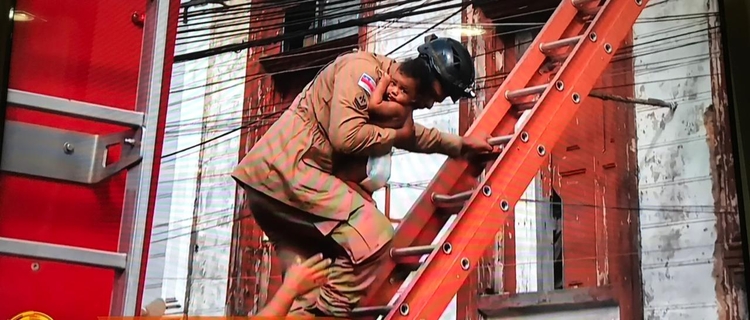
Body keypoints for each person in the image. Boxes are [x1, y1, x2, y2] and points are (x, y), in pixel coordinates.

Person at [231, 34, 493, 317]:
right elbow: (345, 136)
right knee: (373, 233)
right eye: (434, 96)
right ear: (424, 76)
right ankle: (328, 315)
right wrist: (396, 135)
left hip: (281, 189)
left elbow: (414, 136)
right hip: (288, 172)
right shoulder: (361, 71)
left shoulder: (394, 95)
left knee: (312, 279)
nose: (430, 105)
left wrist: (461, 145)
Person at [333, 58, 431, 202]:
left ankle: (352, 187)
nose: (394, 91)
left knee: (347, 175)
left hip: (375, 159)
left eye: (403, 90)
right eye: (393, 84)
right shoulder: (406, 111)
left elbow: (374, 105)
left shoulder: (398, 108)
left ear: (414, 99)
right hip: (380, 157)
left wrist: (384, 82)